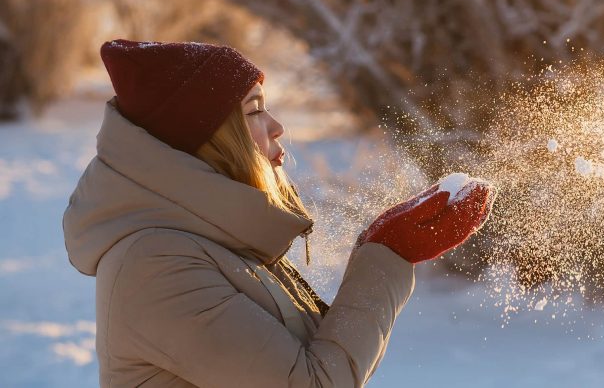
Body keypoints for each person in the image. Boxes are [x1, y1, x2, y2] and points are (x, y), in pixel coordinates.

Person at [62, 39, 495, 387]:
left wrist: (377, 248)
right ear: (209, 140)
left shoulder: (219, 243)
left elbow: (314, 357)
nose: (276, 126)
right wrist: (386, 257)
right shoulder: (156, 266)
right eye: (253, 110)